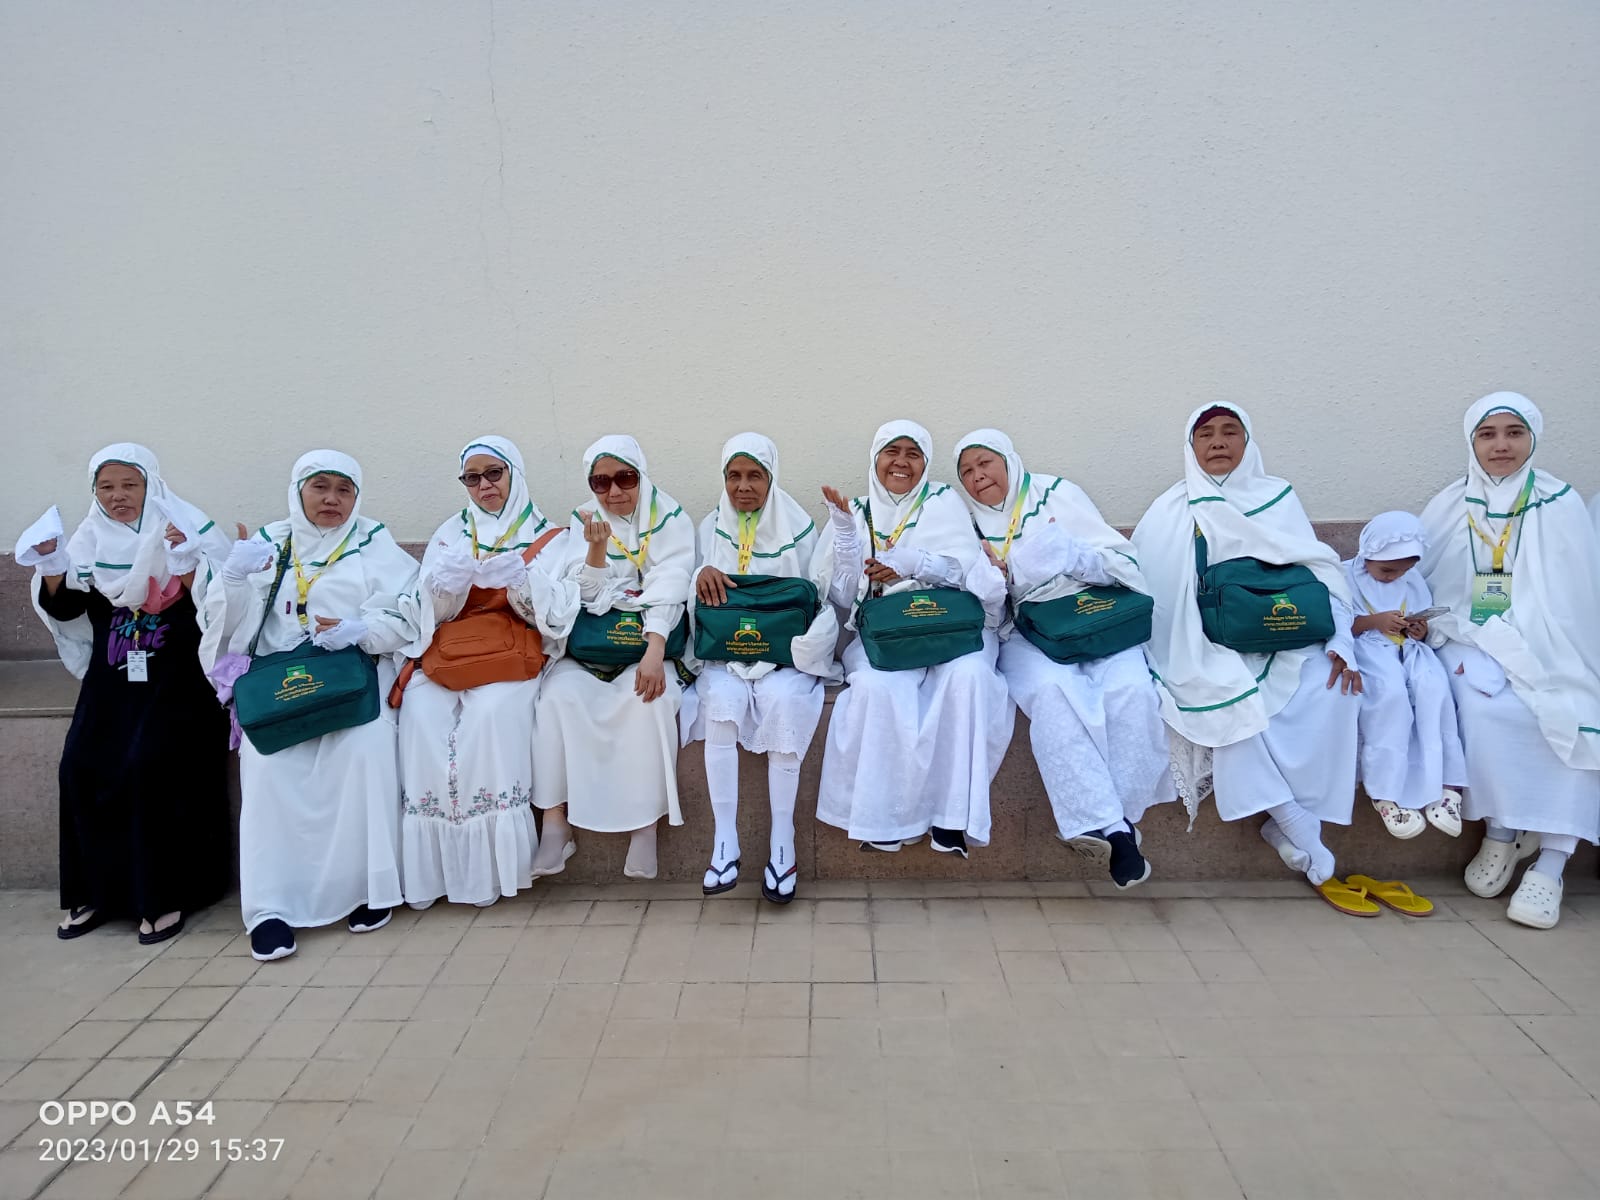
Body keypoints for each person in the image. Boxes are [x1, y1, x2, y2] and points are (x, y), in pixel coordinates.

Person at [1132, 405, 1371, 914]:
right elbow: (1156, 589)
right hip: (1205, 638)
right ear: (1191, 446)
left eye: (1230, 432)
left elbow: (1321, 570)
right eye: (1206, 434)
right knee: (1223, 694)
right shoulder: (1171, 508)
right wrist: (1192, 638)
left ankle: (1289, 821)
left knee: (1330, 687)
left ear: (1247, 442)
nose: (1218, 442)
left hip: (1285, 631)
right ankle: (1293, 821)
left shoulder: (1276, 496)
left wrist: (1341, 641)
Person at [201, 450, 420, 961]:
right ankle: (271, 909)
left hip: (352, 678)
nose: (331, 499)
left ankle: (368, 891)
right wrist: (232, 580)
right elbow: (226, 629)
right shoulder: (269, 542)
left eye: (344, 490)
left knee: (367, 746)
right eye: (320, 487)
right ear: (299, 491)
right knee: (266, 766)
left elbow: (410, 612)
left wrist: (362, 630)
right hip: (281, 685)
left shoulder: (373, 542)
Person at [21, 443, 231, 943]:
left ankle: (166, 894)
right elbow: (68, 609)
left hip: (179, 684)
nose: (118, 496)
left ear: (151, 485)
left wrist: (186, 561)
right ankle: (94, 891)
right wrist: (51, 565)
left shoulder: (183, 528)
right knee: (79, 765)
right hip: (112, 682)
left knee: (149, 766)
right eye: (107, 487)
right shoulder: (88, 540)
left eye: (129, 485)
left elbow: (221, 600)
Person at [952, 429, 1172, 888]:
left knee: (1131, 689)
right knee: (1053, 693)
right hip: (1027, 631)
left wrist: (1070, 556)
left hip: (1098, 614)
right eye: (966, 471)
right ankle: (1118, 835)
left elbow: (1120, 561)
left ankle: (1116, 820)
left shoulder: (1057, 494)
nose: (977, 477)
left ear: (1008, 461)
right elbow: (987, 612)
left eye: (985, 463)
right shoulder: (965, 524)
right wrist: (993, 581)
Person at [1421, 393, 1600, 928]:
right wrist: (1474, 635)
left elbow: (1572, 599)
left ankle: (1552, 862)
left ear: (1533, 438)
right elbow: (1430, 587)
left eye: (1514, 433)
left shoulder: (1559, 502)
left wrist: (1522, 641)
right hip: (1470, 635)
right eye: (1488, 434)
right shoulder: (1451, 504)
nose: (1501, 445)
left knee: (1570, 712)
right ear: (1472, 441)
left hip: (1550, 642)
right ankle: (1502, 831)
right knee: (1483, 709)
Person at [815, 420, 1014, 858]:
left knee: (969, 678)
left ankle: (952, 819)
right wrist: (847, 540)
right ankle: (885, 820)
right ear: (875, 458)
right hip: (887, 631)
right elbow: (841, 597)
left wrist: (916, 563)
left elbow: (969, 571)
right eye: (892, 451)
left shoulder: (944, 501)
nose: (901, 462)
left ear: (926, 462)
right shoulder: (857, 511)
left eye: (913, 453)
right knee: (877, 686)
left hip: (952, 625)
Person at [397, 436, 578, 909]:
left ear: (514, 474)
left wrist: (522, 582)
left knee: (491, 714)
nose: (485, 486)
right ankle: (436, 874)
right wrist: (445, 588)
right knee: (421, 711)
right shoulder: (449, 535)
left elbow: (560, 616)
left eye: (494, 474)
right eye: (472, 478)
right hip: (453, 651)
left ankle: (488, 872)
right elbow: (422, 611)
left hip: (513, 652)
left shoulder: (552, 536)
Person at [532, 435, 693, 881]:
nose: (614, 491)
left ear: (641, 475)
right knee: (556, 698)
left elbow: (672, 583)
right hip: (594, 646)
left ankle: (645, 828)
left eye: (625, 478)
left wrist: (654, 650)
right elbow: (578, 592)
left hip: (650, 643)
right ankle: (555, 824)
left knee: (650, 701)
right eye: (601, 483)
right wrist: (596, 549)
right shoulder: (584, 519)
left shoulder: (669, 518)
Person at [688, 432, 839, 903]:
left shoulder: (798, 526)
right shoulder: (711, 525)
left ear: (772, 478)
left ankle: (782, 841)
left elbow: (819, 597)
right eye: (733, 475)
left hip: (784, 659)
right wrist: (700, 576)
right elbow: (690, 593)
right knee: (721, 703)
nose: (743, 486)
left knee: (785, 702)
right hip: (726, 656)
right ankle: (725, 840)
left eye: (755, 475)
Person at [1343, 512, 1467, 839]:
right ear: (1368, 553)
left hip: (1408, 649)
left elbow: (1421, 620)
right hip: (1368, 650)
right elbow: (1340, 625)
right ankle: (1385, 794)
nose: (1394, 577)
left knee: (1435, 688)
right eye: (1387, 570)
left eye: (1402, 571)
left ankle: (1447, 787)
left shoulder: (1410, 580)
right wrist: (1376, 622)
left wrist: (1419, 630)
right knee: (1391, 696)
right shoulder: (1343, 577)